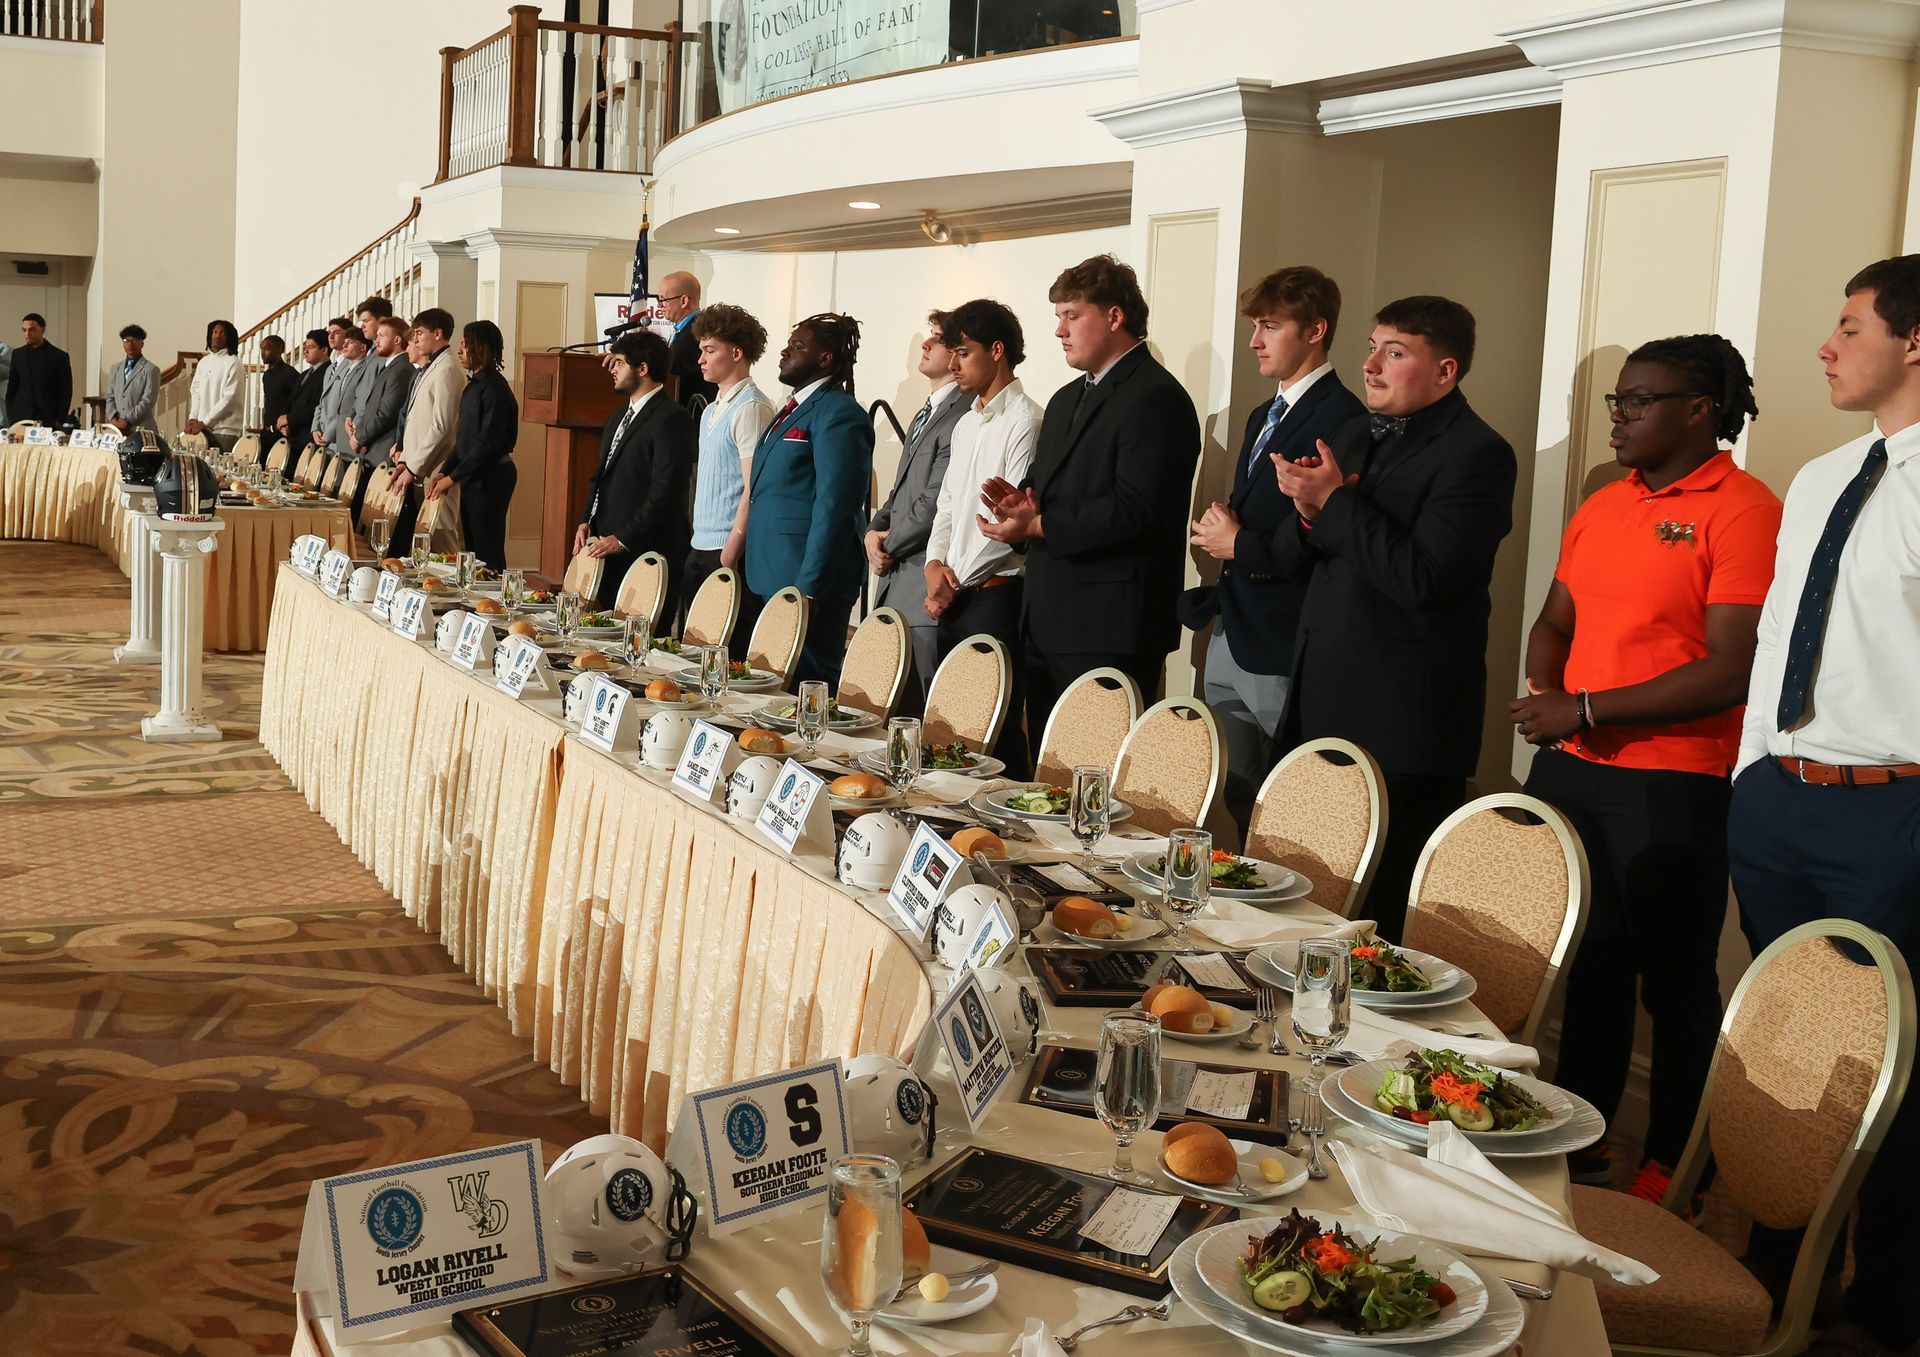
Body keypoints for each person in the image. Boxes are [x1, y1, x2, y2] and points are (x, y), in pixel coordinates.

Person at [1510, 334, 1778, 1208]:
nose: (1619, 417)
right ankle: (1582, 1139)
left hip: (1673, 777)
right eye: (1616, 400)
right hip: (1574, 766)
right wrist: (1552, 687)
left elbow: (1728, 666)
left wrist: (1585, 709)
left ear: (1700, 410)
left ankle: (1676, 1162)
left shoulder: (1742, 508)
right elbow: (1556, 617)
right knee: (1589, 959)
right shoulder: (1604, 502)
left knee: (1675, 981)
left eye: (1639, 400)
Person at [1728, 255, 1920, 1357]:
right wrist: (1755, 768)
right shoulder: (1819, 475)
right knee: (1784, 1044)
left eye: (1850, 325)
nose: (1826, 345)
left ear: (1913, 340)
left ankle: (1885, 1300)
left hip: (1890, 812)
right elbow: (1776, 640)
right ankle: (1764, 1266)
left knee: (1887, 1059)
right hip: (1780, 803)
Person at [1268, 296, 1516, 938]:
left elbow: (1424, 579)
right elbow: (1296, 557)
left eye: (1395, 352)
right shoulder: (1350, 434)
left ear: (1446, 371)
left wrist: (1334, 505)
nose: (1370, 365)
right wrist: (1306, 507)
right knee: (1302, 904)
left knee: (1375, 928)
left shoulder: (1479, 454)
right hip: (1321, 702)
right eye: (1373, 347)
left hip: (1403, 725)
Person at [977, 255, 1200, 739]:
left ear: (1115, 317)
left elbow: (1136, 509)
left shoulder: (1156, 397)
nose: (1059, 330)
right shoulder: (1064, 399)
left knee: (1095, 782)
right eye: (1058, 317)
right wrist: (1020, 509)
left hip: (1110, 628)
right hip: (1047, 618)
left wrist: (1039, 525)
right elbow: (1043, 491)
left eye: (1072, 316)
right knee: (1048, 774)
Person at [1182, 266, 1365, 832]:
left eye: (1270, 326)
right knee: (1231, 795)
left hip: (1285, 631)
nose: (1255, 341)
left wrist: (1238, 542)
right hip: (1233, 627)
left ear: (1315, 331)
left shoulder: (1344, 417)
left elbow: (1323, 533)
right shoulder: (1265, 413)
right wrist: (1226, 524)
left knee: (1288, 803)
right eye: (1255, 326)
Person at [924, 300, 1041, 771]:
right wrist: (935, 565)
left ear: (997, 351)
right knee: (951, 726)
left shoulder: (1026, 420)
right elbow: (949, 505)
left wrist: (954, 582)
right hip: (954, 591)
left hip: (996, 594)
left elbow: (1009, 521)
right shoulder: (967, 422)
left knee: (996, 731)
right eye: (951, 352)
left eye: (963, 352)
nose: (952, 365)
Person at [743, 313, 874, 686]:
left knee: (806, 687)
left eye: (798, 347)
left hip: (809, 579)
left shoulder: (840, 413)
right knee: (771, 687)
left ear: (825, 359)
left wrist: (810, 586)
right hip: (771, 571)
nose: (785, 352)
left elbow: (836, 506)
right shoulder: (792, 408)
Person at [871, 312, 968, 707]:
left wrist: (887, 543)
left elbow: (934, 501)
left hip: (919, 584)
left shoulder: (963, 413)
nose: (926, 345)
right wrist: (871, 530)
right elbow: (900, 492)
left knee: (920, 709)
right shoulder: (925, 410)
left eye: (938, 340)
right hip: (894, 577)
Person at [576, 329, 696, 612]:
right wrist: (586, 520)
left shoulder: (672, 418)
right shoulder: (618, 415)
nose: (612, 369)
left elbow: (665, 490)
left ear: (642, 368)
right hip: (607, 543)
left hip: (647, 549)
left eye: (618, 362)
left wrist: (624, 538)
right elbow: (600, 474)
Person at [687, 303, 774, 633]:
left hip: (726, 548)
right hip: (701, 543)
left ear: (737, 353)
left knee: (723, 648)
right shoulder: (710, 410)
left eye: (710, 350)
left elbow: (754, 487)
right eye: (701, 350)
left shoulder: (751, 406)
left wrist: (732, 548)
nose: (701, 359)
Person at [427, 320, 519, 570]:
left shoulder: (495, 389)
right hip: (474, 474)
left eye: (465, 345)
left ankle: (494, 601)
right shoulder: (475, 385)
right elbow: (464, 440)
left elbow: (486, 444)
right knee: (472, 547)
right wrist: (445, 471)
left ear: (480, 347)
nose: (460, 350)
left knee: (487, 548)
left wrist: (452, 478)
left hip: (491, 476)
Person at [390, 307, 463, 548]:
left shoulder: (448, 369)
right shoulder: (434, 366)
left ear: (438, 333)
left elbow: (441, 426)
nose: (416, 338)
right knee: (423, 542)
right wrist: (405, 462)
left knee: (441, 540)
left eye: (420, 333)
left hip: (437, 467)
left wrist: (413, 467)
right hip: (421, 465)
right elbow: (416, 422)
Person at [349, 315, 412, 465]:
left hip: (384, 450)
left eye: (382, 336)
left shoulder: (401, 369)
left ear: (397, 340)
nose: (376, 341)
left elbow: (386, 413)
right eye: (377, 336)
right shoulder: (390, 366)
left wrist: (359, 438)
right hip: (372, 448)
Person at [657, 271, 718, 410]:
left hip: (692, 412)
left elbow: (675, 369)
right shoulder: (685, 328)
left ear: (683, 301)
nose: (660, 305)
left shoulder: (697, 331)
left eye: (663, 299)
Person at [186, 319, 243, 454]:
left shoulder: (234, 363)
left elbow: (229, 399)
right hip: (202, 430)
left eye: (222, 333)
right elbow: (196, 392)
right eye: (215, 332)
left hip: (225, 431)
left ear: (229, 337)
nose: (217, 336)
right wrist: (193, 417)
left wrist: (205, 422)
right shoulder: (203, 363)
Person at [8, 313, 71, 427]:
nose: (27, 334)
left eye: (32, 330)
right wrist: (11, 415)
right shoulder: (18, 354)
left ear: (43, 329)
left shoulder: (59, 356)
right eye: (24, 330)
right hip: (21, 417)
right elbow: (12, 387)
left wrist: (59, 419)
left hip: (48, 417)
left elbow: (66, 390)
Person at [282, 329, 329, 469]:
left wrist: (290, 419)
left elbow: (316, 406)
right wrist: (285, 423)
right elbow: (291, 400)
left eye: (311, 347)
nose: (305, 352)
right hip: (293, 436)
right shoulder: (303, 375)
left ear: (325, 350)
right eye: (305, 348)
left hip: (308, 437)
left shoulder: (327, 373)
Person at [105, 323, 161, 437]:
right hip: (117, 429)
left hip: (141, 429)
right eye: (126, 340)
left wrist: (127, 420)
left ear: (142, 343)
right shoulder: (115, 368)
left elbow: (147, 401)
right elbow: (110, 396)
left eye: (134, 340)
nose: (130, 344)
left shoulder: (151, 369)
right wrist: (114, 419)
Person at [309, 317, 353, 453]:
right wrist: (315, 428)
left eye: (337, 332)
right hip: (322, 434)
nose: (331, 336)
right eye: (329, 333)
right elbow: (321, 402)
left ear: (347, 336)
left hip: (337, 436)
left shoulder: (351, 365)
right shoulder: (329, 368)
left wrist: (329, 433)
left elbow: (345, 405)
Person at [258, 335, 298, 459]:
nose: (263, 353)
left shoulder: (289, 373)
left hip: (281, 432)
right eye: (261, 349)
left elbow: (295, 401)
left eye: (267, 349)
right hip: (266, 432)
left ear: (279, 349)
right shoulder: (267, 375)